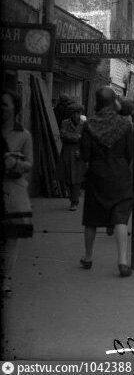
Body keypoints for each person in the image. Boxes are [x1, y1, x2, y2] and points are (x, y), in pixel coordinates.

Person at [79, 87, 134, 277]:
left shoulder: (89, 124)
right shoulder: (124, 124)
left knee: (92, 218)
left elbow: (85, 153)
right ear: (113, 102)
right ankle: (122, 261)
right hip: (119, 173)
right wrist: (119, 164)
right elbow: (129, 152)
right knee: (120, 217)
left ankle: (88, 257)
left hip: (96, 173)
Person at [2, 90, 34, 294]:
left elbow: (29, 163)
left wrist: (15, 163)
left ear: (15, 108)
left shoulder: (23, 134)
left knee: (10, 238)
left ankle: (6, 280)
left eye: (4, 105)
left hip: (12, 192)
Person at [59, 104, 86, 211]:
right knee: (67, 177)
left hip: (78, 153)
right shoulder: (65, 123)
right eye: (75, 113)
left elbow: (85, 139)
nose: (77, 115)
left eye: (78, 113)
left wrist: (82, 151)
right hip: (67, 152)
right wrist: (77, 137)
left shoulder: (84, 125)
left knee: (76, 178)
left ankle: (74, 201)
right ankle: (73, 196)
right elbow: (63, 135)